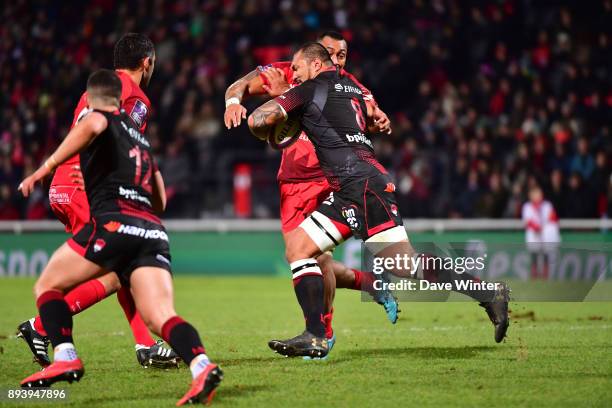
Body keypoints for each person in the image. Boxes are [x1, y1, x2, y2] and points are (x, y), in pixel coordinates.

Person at [247, 43, 510, 358]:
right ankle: (315, 335)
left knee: (403, 264)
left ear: (315, 66)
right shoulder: (352, 90)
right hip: (358, 184)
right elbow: (350, 124)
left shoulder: (308, 89)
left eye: (299, 69)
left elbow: (258, 121)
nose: (295, 75)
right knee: (300, 249)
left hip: (359, 184)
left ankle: (488, 292)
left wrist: (281, 96)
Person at [18, 70, 222, 405]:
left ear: (92, 98)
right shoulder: (142, 140)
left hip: (115, 225)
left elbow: (92, 126)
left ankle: (65, 355)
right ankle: (201, 365)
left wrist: (46, 167)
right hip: (153, 231)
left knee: (47, 285)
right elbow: (160, 201)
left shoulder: (98, 118)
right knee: (161, 316)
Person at [224, 31, 398, 358]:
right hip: (291, 182)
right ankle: (370, 283)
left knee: (318, 256)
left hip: (328, 178)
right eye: (331, 52)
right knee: (300, 255)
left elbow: (369, 119)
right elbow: (239, 87)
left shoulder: (351, 87)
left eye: (342, 55)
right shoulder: (289, 71)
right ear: (316, 56)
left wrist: (379, 120)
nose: (337, 59)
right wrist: (234, 102)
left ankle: (322, 333)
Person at [16, 33, 178, 369]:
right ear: (147, 62)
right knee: (118, 270)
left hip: (64, 184)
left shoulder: (99, 89)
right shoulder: (135, 96)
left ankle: (145, 345)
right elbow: (120, 138)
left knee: (120, 267)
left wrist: (50, 167)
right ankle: (40, 327)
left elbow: (84, 128)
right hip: (86, 187)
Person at [522, 185, 561, 279]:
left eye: (539, 193)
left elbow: (553, 217)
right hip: (534, 235)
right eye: (535, 194)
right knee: (534, 255)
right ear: (530, 195)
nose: (537, 195)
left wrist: (548, 228)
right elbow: (527, 221)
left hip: (545, 234)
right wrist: (537, 228)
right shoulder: (527, 206)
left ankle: (545, 276)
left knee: (546, 255)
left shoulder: (547, 205)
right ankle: (534, 276)